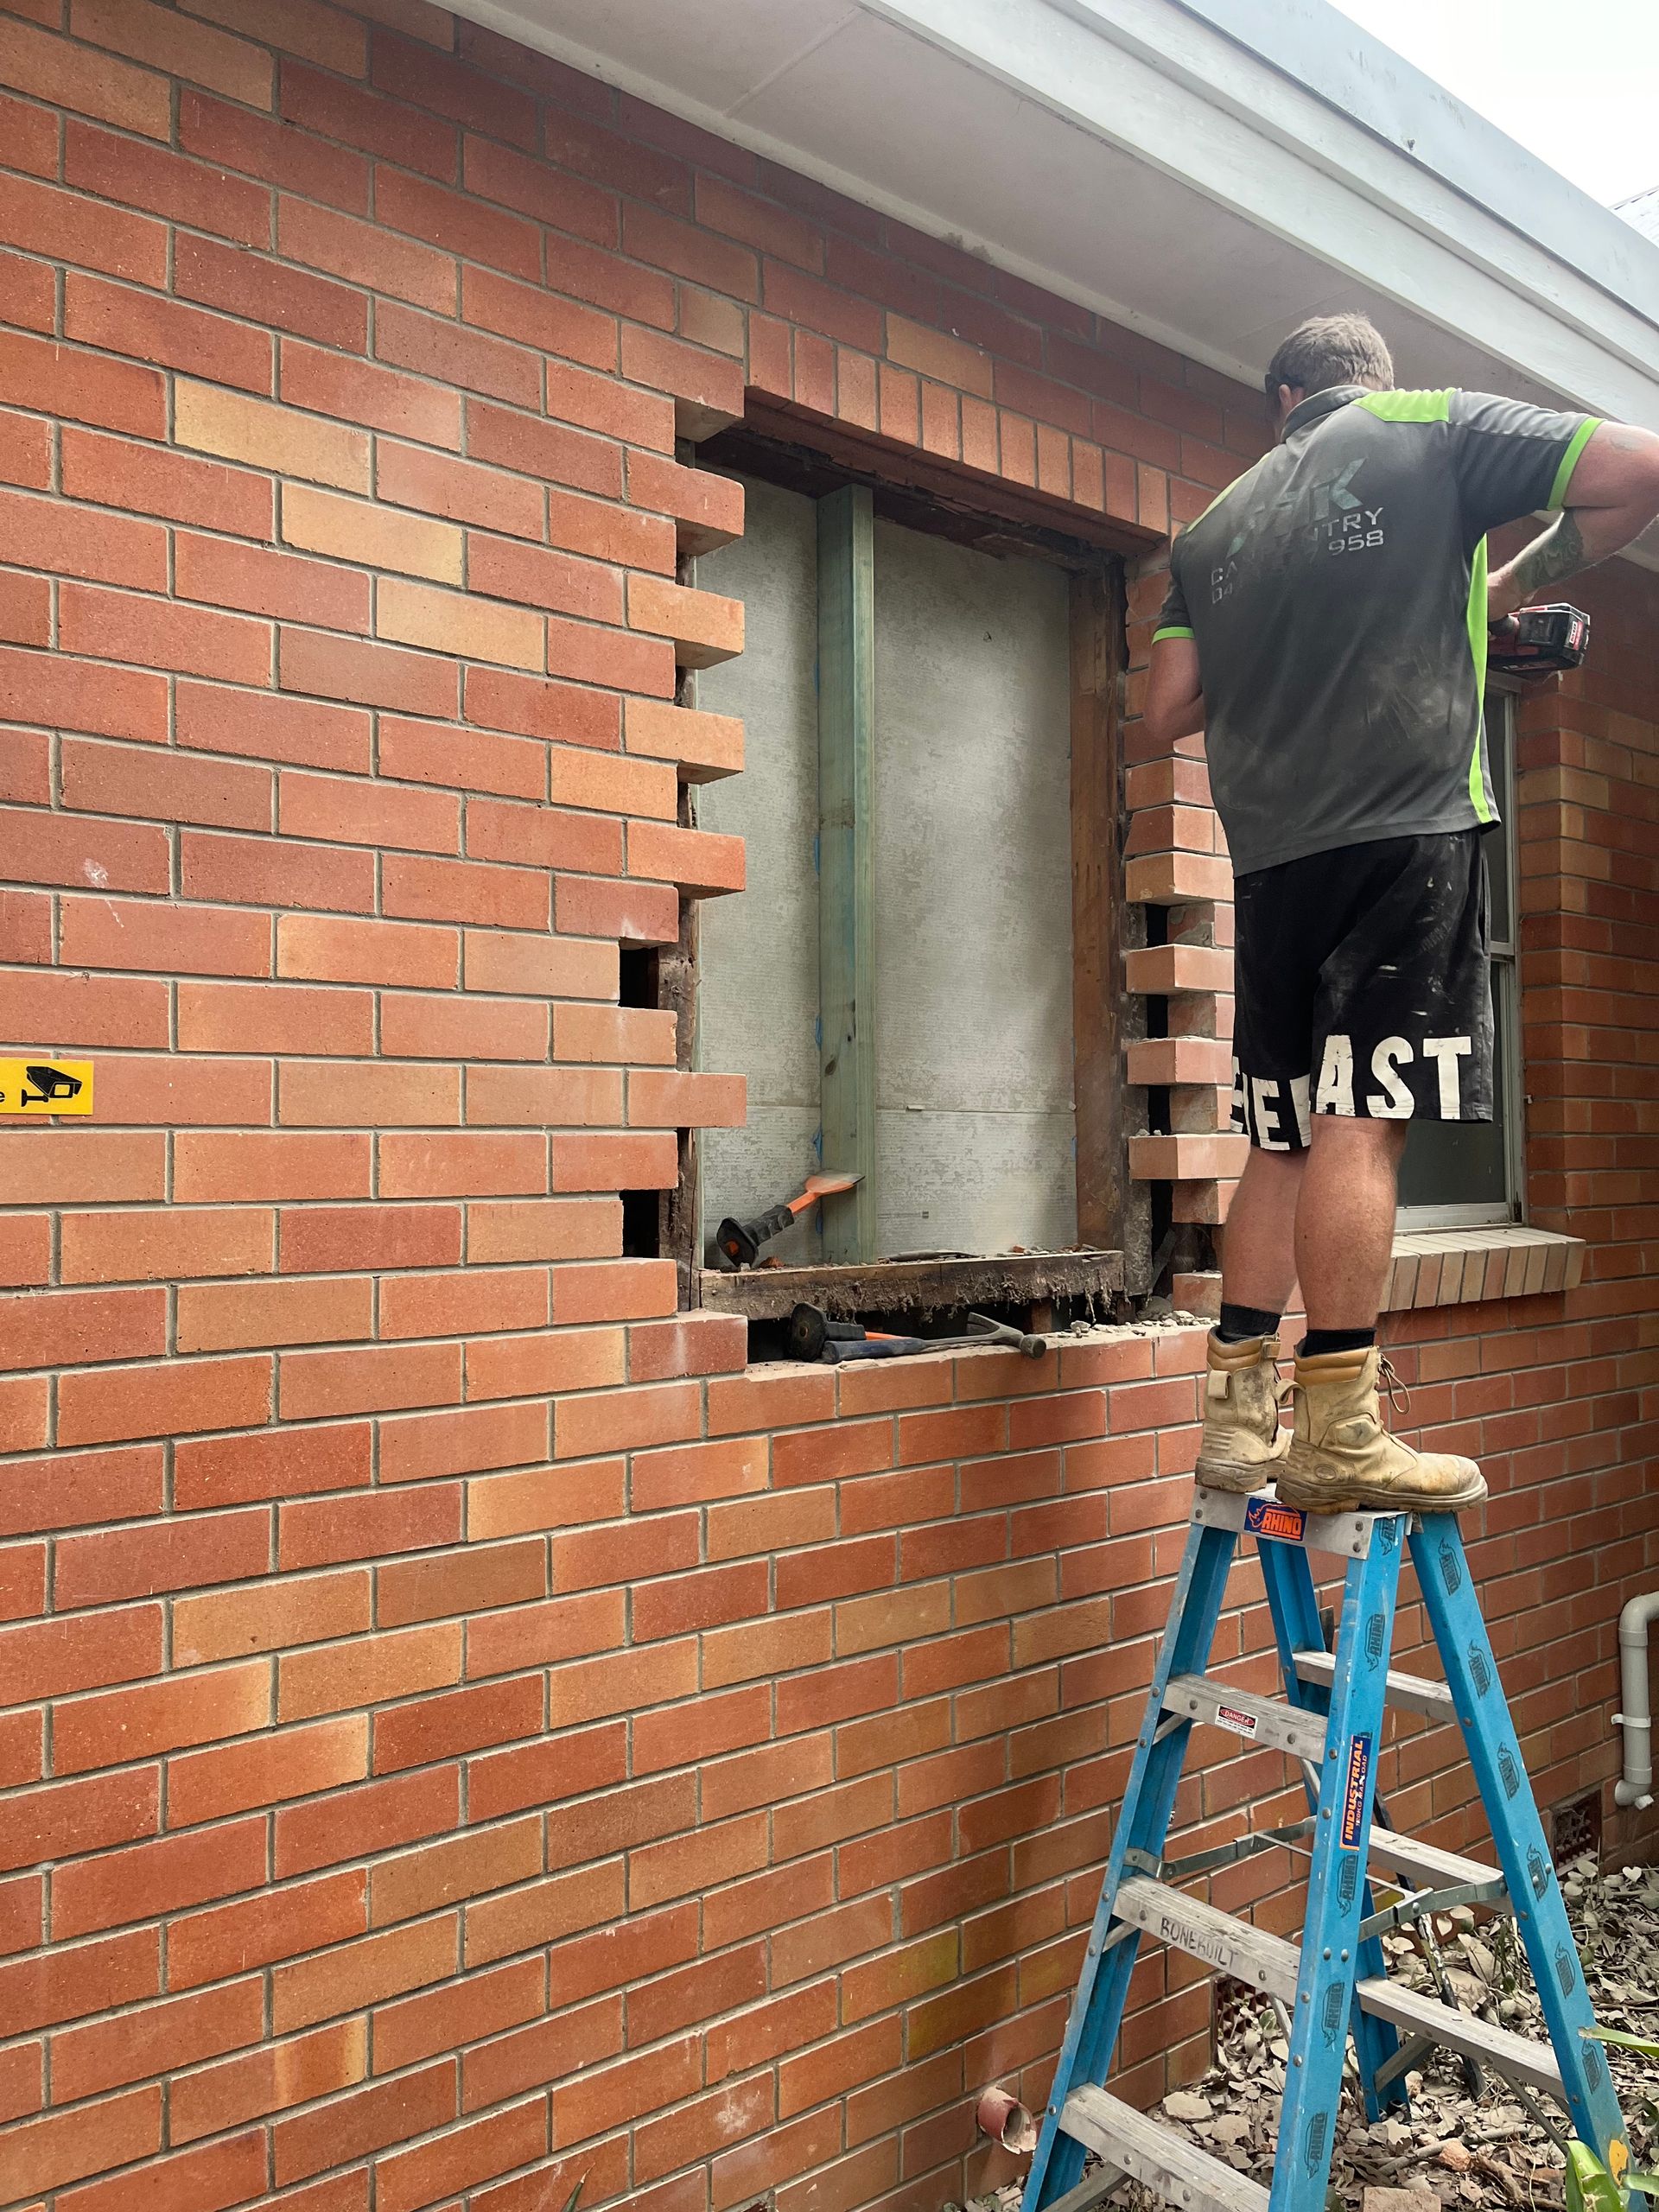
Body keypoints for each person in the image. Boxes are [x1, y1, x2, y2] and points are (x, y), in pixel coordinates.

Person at [1143, 312, 1659, 1516]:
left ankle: (1236, 1418)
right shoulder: (1431, 429)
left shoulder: (1212, 527)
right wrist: (1501, 587)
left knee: (1279, 1130)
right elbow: (1640, 467)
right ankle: (1337, 1427)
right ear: (1369, 385)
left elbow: (1169, 704)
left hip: (1270, 859)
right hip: (1404, 828)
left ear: (1281, 403)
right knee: (1361, 1123)